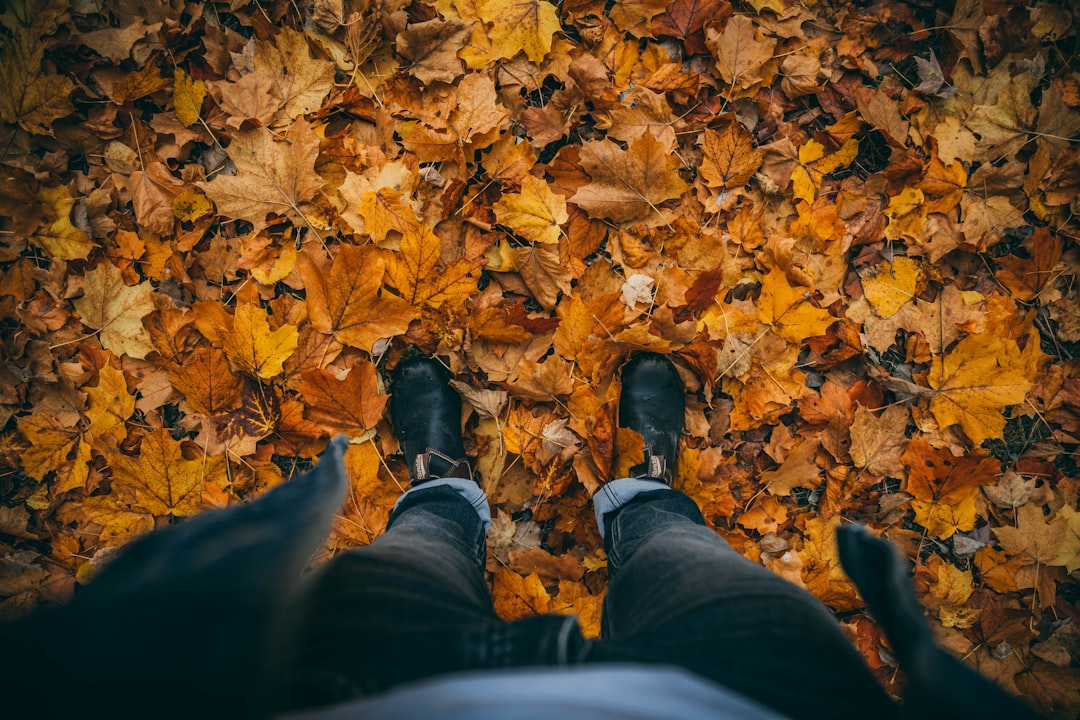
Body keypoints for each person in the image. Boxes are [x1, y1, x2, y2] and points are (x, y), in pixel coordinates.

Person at [0, 353, 1037, 719]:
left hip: (354, 684)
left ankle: (442, 483)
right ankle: (646, 486)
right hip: (752, 695)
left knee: (418, 550)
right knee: (681, 551)